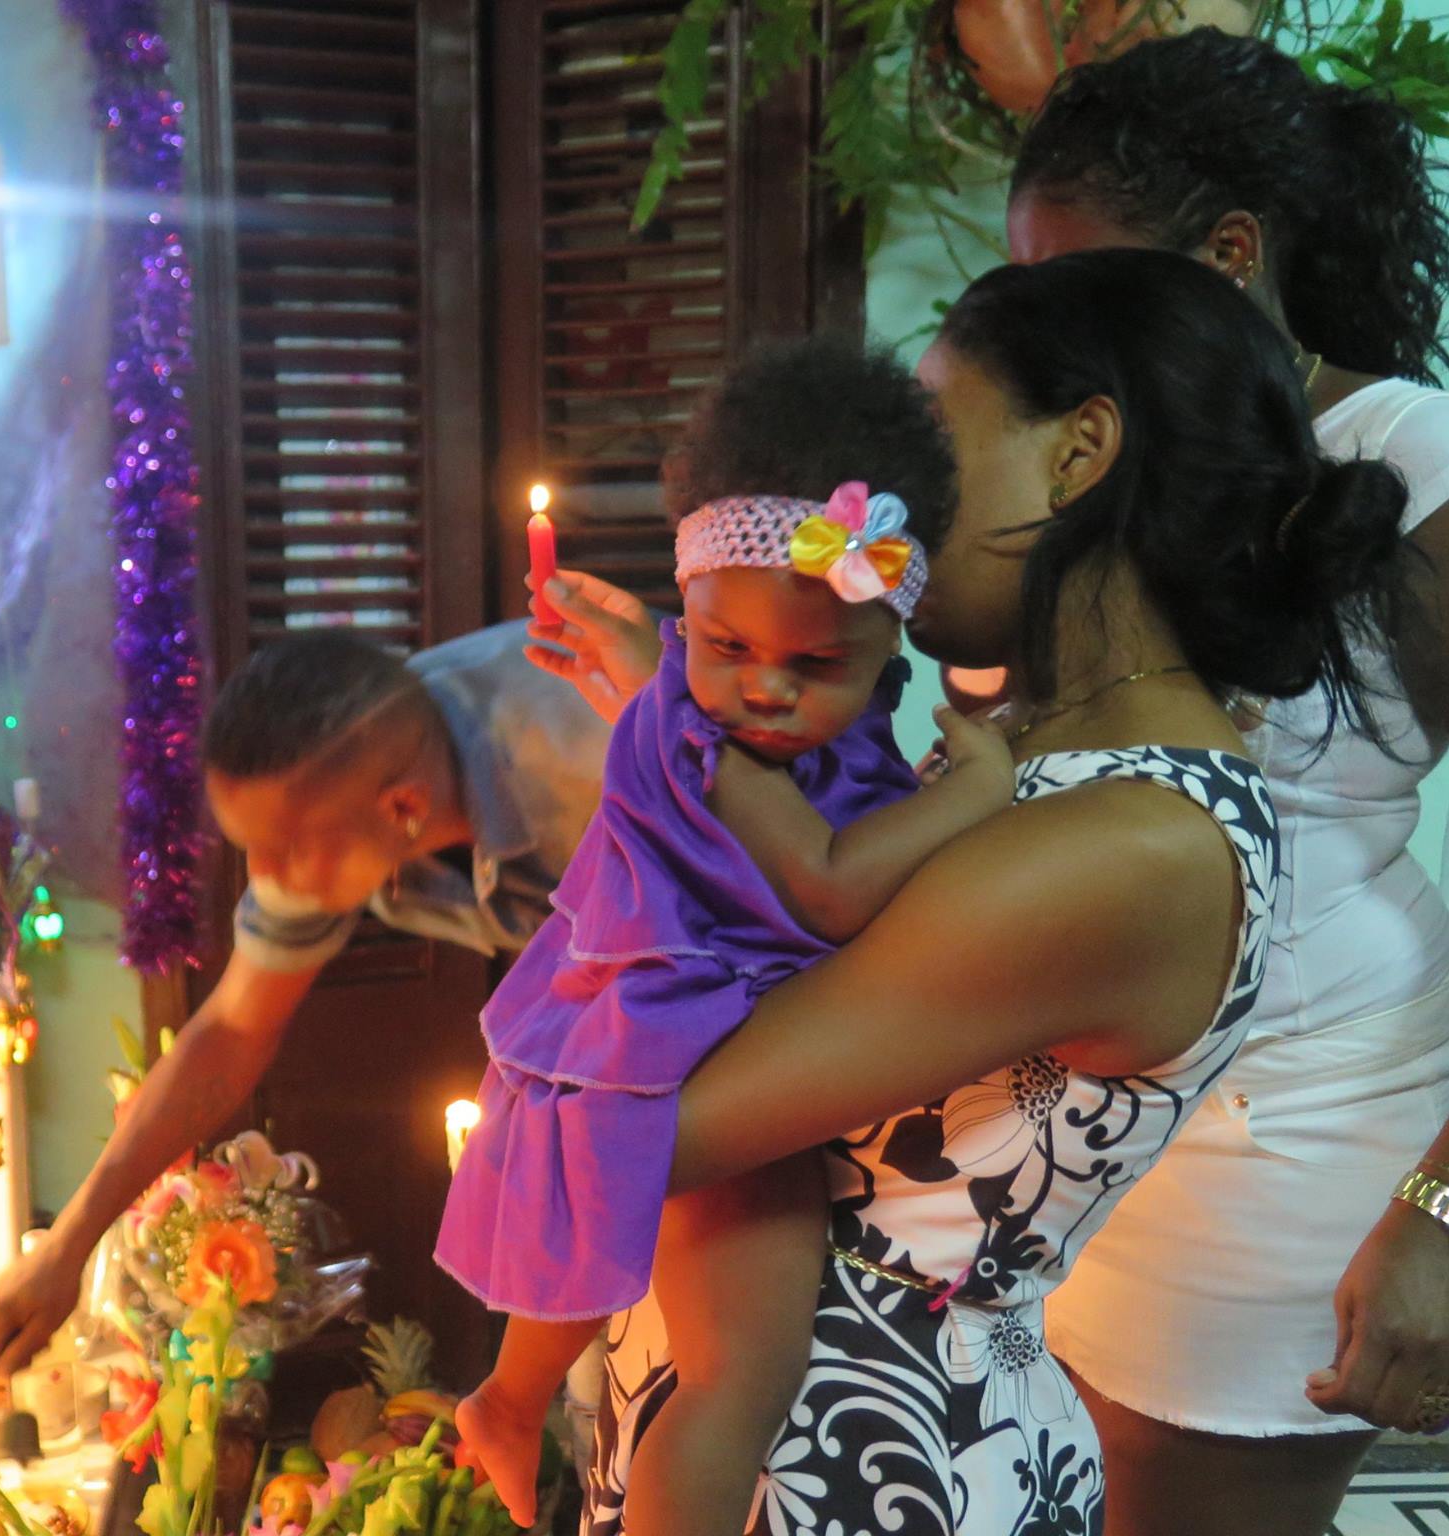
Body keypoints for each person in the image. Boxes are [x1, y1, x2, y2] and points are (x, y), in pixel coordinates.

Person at [537, 249, 1407, 1533]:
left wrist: (675, 779)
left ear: (1077, 451)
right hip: (780, 1427)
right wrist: (685, 716)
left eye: (929, 449)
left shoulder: (1132, 844)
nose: (883, 506)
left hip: (859, 1467)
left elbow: (647, 1120)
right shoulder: (1033, 755)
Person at [438, 342, 1012, 1534]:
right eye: (725, 649)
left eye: (815, 666)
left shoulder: (729, 713)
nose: (762, 690)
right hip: (695, 1035)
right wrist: (973, 787)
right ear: (685, 613)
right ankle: (510, 1396)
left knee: (670, 1308)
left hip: (696, 1025)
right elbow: (825, 889)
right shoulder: (710, 741)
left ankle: (507, 1392)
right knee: (735, 1383)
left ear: (882, 656)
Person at [998, 32, 1449, 1536]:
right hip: (1099, 1117)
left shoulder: (1411, 457)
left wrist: (1445, 1213)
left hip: (1295, 1130)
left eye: (1076, 286)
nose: (1051, 337)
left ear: (1230, 252)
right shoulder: (1128, 457)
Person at [0, 621, 611, 1376]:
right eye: (250, 844)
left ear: (404, 810)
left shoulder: (592, 759)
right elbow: (233, 1032)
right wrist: (65, 1248)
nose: (264, 875)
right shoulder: (350, 782)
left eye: (281, 850)